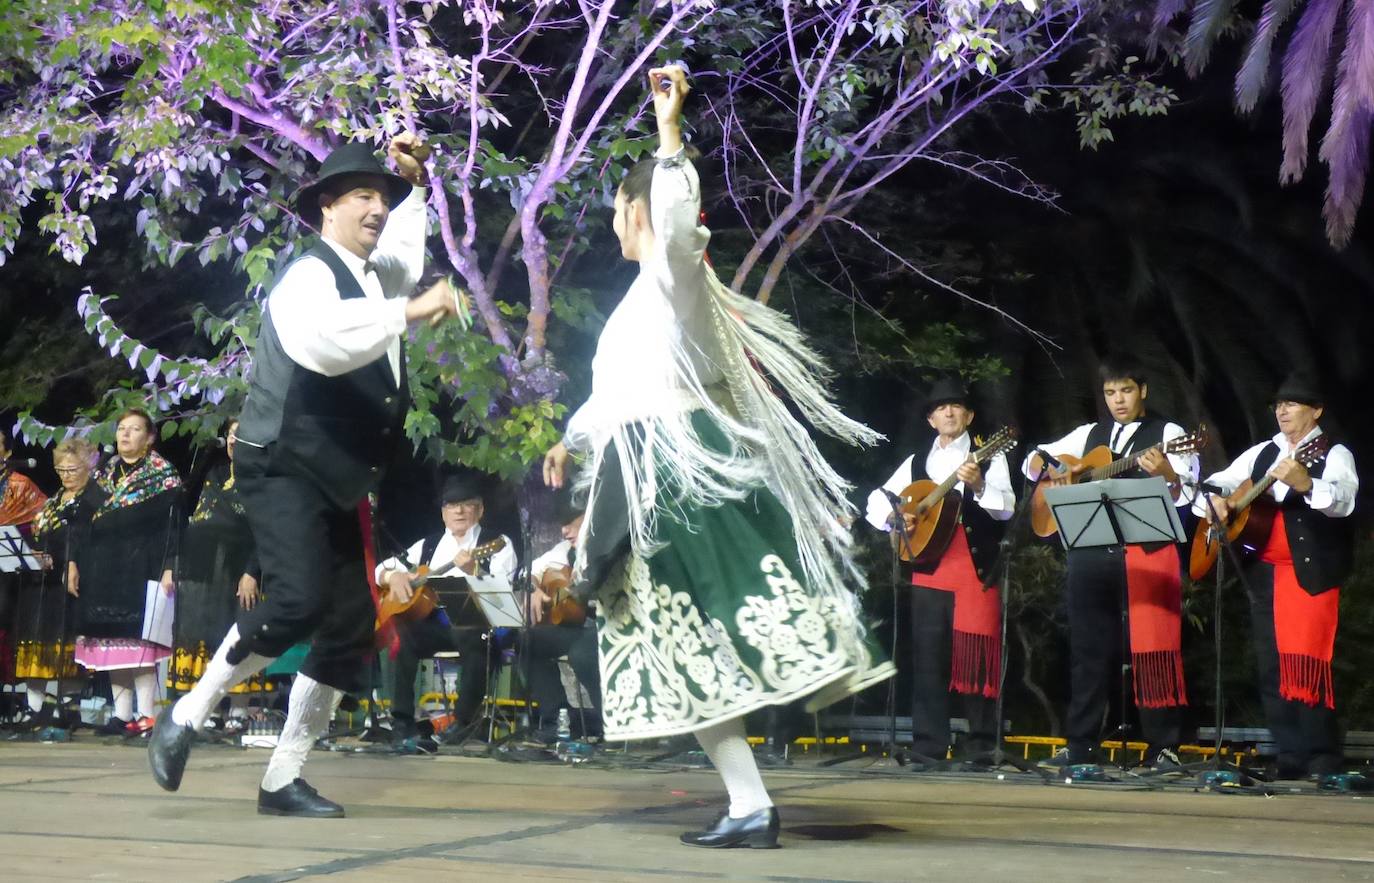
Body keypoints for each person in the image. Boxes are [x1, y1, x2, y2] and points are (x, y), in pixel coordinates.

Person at [542, 66, 891, 849]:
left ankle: (750, 803)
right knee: (677, 642)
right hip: (645, 469)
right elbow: (619, 396)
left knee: (686, 635)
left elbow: (677, 228)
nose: (616, 226)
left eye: (618, 212)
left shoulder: (674, 280)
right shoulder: (636, 309)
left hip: (676, 471)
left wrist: (669, 137)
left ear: (633, 210)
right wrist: (573, 436)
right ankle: (749, 802)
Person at [148, 133, 459, 818]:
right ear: (328, 205)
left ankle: (281, 777)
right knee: (296, 601)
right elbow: (325, 344)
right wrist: (410, 311)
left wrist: (415, 185)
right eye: (365, 197)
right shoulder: (307, 277)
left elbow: (406, 252)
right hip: (282, 460)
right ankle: (187, 713)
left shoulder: (377, 272)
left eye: (383, 199)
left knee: (349, 622)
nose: (378, 209)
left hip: (337, 473)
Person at [1023, 357, 1198, 769]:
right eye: (1110, 393)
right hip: (1091, 547)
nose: (1118, 400)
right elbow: (1033, 460)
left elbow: (1187, 492)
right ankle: (1082, 745)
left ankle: (1163, 746)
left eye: (1126, 391)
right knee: (1088, 650)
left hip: (1147, 548)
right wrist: (1056, 467)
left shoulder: (1169, 433)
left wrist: (1169, 474)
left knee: (1154, 650)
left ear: (1143, 391)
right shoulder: (1089, 434)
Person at [1196, 374, 1357, 779]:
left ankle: (1321, 757)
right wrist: (1217, 497)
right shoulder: (1264, 452)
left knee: (1306, 662)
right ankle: (1289, 755)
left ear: (1316, 411)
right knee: (1270, 665)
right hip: (1262, 572)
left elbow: (1344, 500)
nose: (1282, 410)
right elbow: (1221, 480)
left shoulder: (1331, 452)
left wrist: (1307, 484)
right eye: (1279, 404)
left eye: (1293, 403)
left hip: (1308, 572)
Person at [864, 378, 1014, 768]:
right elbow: (878, 501)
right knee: (928, 660)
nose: (948, 412)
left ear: (969, 415)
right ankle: (928, 745)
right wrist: (897, 519)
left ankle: (982, 744)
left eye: (956, 406)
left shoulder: (988, 456)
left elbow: (1008, 508)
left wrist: (979, 485)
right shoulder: (915, 462)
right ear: (931, 420)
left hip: (974, 568)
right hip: (930, 569)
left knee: (976, 658)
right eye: (940, 408)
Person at [374, 474, 517, 743]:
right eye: (452, 505)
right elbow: (381, 568)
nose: (459, 511)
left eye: (467, 504)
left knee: (472, 634)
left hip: (476, 624)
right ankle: (402, 720)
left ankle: (463, 722)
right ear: (443, 513)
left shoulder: (497, 543)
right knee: (400, 634)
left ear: (480, 509)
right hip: (433, 623)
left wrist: (474, 570)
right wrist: (393, 577)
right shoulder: (428, 545)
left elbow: (502, 593)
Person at [72, 409, 182, 736]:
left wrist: (170, 568)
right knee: (111, 644)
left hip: (142, 567)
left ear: (149, 438)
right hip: (102, 570)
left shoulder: (164, 475)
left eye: (134, 429)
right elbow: (81, 521)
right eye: (121, 429)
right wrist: (73, 562)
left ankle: (146, 715)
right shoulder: (105, 472)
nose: (125, 435)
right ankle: (122, 716)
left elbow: (174, 528)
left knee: (139, 644)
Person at [167, 420, 272, 734]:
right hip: (203, 568)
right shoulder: (214, 474)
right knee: (203, 636)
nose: (234, 439)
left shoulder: (263, 479)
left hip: (239, 570)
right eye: (230, 434)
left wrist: (253, 572)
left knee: (236, 634)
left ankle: (239, 710)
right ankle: (207, 709)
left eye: (242, 433)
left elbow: (265, 531)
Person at [13, 437, 103, 732]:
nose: (66, 476)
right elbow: (40, 533)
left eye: (73, 469)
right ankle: (34, 709)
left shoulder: (95, 498)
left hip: (73, 581)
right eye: (61, 470)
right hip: (42, 583)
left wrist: (62, 558)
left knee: (64, 646)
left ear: (88, 466)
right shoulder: (53, 500)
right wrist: (36, 552)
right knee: (36, 643)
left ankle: (65, 707)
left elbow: (89, 540)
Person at [519, 498, 602, 742]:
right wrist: (533, 589)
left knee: (583, 653)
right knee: (528, 641)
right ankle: (558, 719)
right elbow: (528, 572)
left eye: (571, 524)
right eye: (562, 525)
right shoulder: (563, 552)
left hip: (614, 626)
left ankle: (613, 724)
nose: (564, 531)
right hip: (584, 629)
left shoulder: (607, 546)